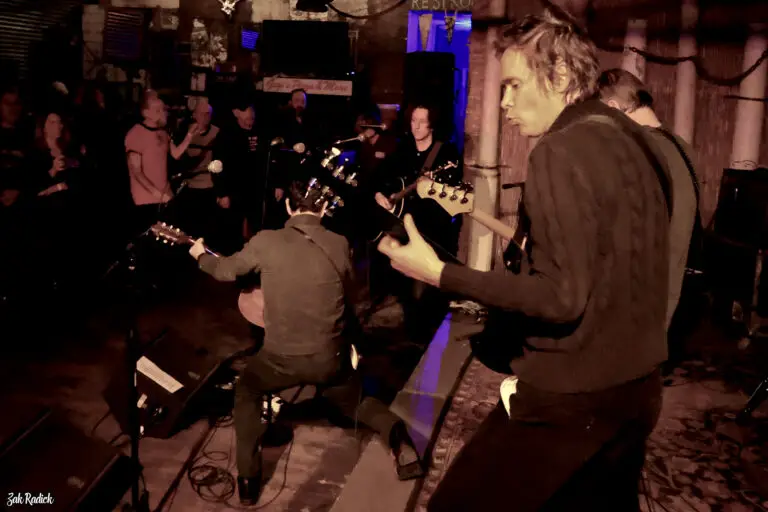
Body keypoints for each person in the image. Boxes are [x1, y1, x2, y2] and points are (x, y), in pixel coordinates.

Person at [378, 9, 670, 511]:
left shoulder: (558, 150)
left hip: (570, 395)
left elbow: (561, 297)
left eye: (514, 86)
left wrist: (441, 272)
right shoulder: (637, 141)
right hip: (638, 391)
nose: (504, 103)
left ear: (561, 75)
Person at [189, 178, 422, 505]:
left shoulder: (266, 241)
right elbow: (345, 292)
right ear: (324, 208)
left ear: (288, 206)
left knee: (248, 390)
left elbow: (225, 271)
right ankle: (398, 438)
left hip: (279, 361)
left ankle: (248, 482)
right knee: (355, 403)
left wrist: (200, 255)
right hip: (329, 358)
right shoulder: (339, 243)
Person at [597, 68, 699, 330]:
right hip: (666, 308)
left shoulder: (635, 150)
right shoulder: (684, 150)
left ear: (614, 108)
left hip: (629, 311)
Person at [371, 103, 462, 342]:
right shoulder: (403, 149)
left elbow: (452, 195)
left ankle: (425, 338)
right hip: (402, 225)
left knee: (425, 288)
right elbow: (380, 176)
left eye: (422, 121)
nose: (416, 126)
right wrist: (379, 193)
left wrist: (432, 189)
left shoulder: (446, 154)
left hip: (432, 230)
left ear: (432, 125)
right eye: (413, 121)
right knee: (402, 284)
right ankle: (409, 335)